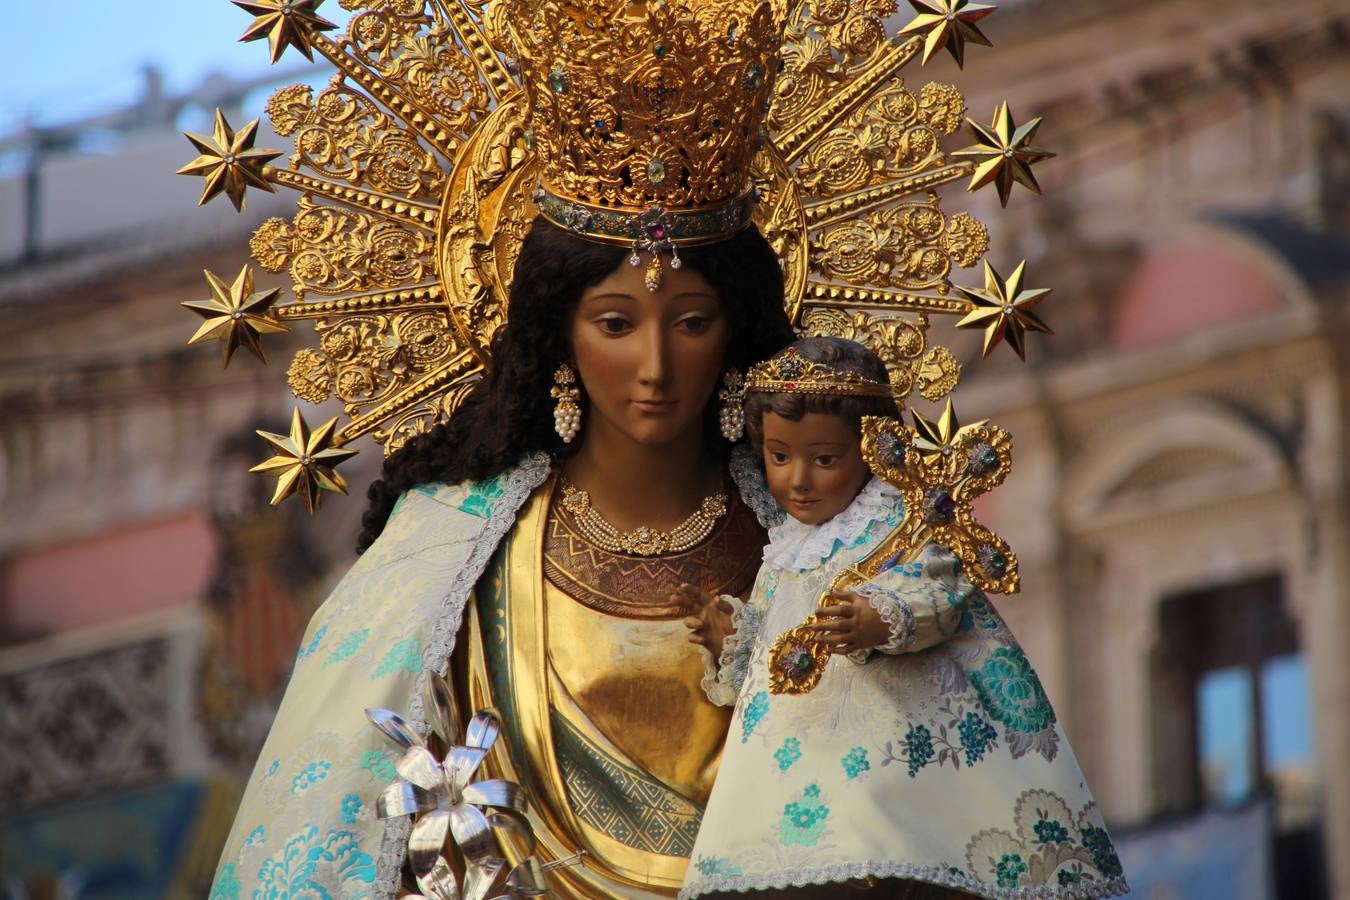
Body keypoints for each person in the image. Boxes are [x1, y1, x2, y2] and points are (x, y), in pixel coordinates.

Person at [677, 338, 1127, 899]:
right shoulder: (785, 552)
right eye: (779, 456)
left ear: (871, 449)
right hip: (788, 766)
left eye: (824, 459)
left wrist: (879, 617)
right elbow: (773, 654)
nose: (798, 480)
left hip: (886, 758)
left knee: (881, 847)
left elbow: (938, 589)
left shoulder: (900, 522)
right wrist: (732, 640)